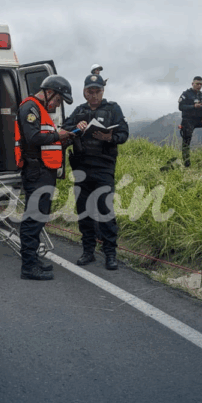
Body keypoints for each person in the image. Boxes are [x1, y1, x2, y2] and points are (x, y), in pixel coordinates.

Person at [62, 73, 129, 270]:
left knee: (106, 211)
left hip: (103, 168)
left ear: (103, 91)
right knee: (84, 212)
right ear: (84, 92)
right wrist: (76, 127)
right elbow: (64, 129)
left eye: (97, 91)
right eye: (90, 92)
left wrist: (110, 137)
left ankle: (110, 254)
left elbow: (124, 134)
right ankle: (88, 252)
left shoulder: (112, 109)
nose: (94, 95)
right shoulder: (79, 111)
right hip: (81, 169)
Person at [15, 75, 74, 280]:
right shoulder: (30, 108)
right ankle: (28, 267)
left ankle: (33, 259)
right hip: (36, 171)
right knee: (33, 219)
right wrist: (59, 135)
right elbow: (33, 138)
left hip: (44, 171)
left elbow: (46, 141)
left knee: (39, 217)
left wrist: (65, 139)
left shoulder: (40, 110)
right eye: (58, 100)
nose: (57, 105)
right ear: (49, 92)